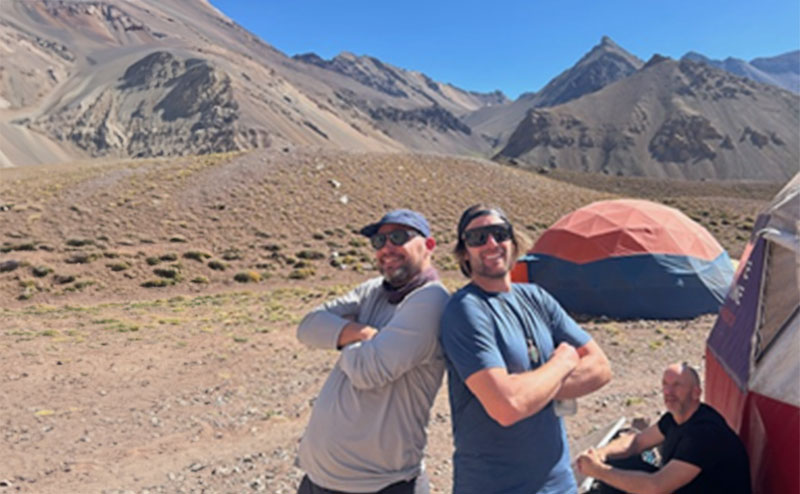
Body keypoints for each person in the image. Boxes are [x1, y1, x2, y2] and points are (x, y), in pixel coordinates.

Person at [439, 204, 612, 494]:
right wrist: (562, 363)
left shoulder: (536, 297)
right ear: (464, 252)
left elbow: (601, 368)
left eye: (499, 233)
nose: (491, 243)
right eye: (477, 238)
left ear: (513, 240)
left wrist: (530, 390)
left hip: (559, 484)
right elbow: (507, 407)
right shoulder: (466, 310)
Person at [295, 209, 449, 494]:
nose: (386, 248)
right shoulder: (374, 290)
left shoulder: (431, 299)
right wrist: (363, 333)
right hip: (318, 479)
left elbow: (368, 371)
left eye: (398, 237)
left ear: (429, 245)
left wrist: (340, 334)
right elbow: (308, 326)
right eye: (379, 241)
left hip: (381, 485)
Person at [576, 362, 752, 494]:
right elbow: (636, 442)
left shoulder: (704, 433)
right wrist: (601, 454)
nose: (668, 392)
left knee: (617, 479)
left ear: (696, 393)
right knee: (619, 465)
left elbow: (656, 486)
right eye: (665, 385)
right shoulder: (674, 418)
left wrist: (599, 472)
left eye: (677, 385)